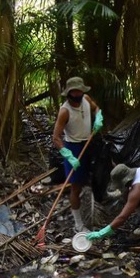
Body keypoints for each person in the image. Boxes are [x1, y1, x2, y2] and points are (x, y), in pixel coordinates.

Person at [52, 76, 103, 234]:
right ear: (68, 93)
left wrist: (98, 117)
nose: (78, 95)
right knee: (75, 186)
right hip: (73, 148)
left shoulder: (86, 99)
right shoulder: (65, 111)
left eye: (80, 92)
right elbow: (55, 137)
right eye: (74, 93)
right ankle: (78, 224)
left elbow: (96, 108)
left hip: (88, 143)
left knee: (97, 173)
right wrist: (68, 155)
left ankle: (100, 200)